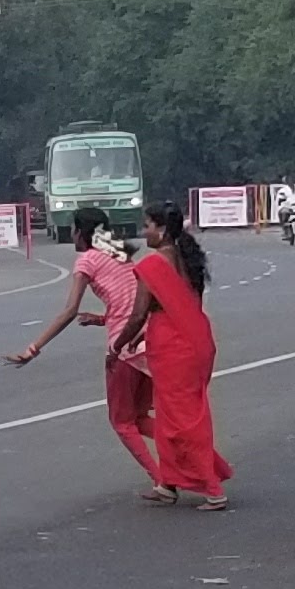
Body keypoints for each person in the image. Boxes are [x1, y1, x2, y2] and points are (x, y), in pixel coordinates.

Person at [8, 199, 153, 492]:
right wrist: (100, 319)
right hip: (148, 339)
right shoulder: (120, 254)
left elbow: (69, 311)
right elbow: (129, 303)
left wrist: (33, 348)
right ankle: (187, 448)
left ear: (81, 233)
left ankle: (162, 479)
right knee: (139, 418)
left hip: (123, 347)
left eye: (74, 229)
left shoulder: (87, 260)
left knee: (122, 422)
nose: (72, 235)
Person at [114, 198, 231, 508]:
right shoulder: (187, 260)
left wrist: (118, 344)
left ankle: (212, 488)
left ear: (163, 230)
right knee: (171, 416)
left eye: (148, 226)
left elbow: (139, 314)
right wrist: (140, 336)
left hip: (173, 350)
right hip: (191, 341)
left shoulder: (152, 265)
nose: (144, 232)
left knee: (183, 420)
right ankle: (168, 483)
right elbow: (179, 306)